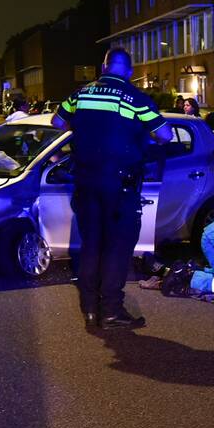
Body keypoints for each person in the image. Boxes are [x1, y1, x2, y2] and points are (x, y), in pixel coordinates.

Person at [53, 47, 172, 329]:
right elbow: (165, 135)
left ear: (103, 68)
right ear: (129, 72)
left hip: (85, 181)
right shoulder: (136, 99)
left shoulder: (81, 94)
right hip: (120, 185)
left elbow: (57, 122)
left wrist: (87, 131)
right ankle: (111, 311)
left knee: (92, 244)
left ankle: (90, 309)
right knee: (118, 247)